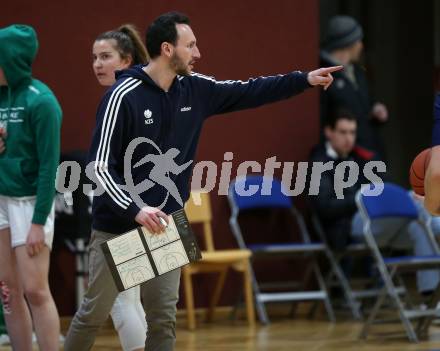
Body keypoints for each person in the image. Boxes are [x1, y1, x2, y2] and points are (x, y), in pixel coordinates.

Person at [64, 11, 342, 351]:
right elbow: (98, 168)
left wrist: (304, 79)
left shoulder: (196, 89)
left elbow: (250, 90)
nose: (198, 53)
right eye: (190, 45)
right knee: (95, 313)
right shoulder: (123, 95)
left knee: (164, 317)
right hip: (120, 224)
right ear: (168, 49)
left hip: (166, 223)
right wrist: (136, 209)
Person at [310, 109, 439, 293]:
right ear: (328, 132)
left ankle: (430, 296)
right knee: (419, 210)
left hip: (381, 226)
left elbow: (387, 183)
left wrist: (404, 197)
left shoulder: (362, 157)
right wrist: (361, 199)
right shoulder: (318, 164)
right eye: (343, 132)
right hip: (349, 226)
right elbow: (325, 208)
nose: (348, 138)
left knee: (419, 221)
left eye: (352, 132)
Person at [0, 24, 62, 351]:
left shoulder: (43, 102)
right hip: (1, 200)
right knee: (8, 291)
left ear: (11, 59)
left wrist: (39, 222)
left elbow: (50, 167)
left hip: (30, 202)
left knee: (36, 291)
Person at [92, 24, 149, 351]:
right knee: (132, 295)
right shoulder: (146, 90)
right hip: (147, 206)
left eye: (106, 56)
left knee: (122, 298)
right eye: (94, 57)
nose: (98, 64)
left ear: (126, 59)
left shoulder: (120, 96)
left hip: (127, 209)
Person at [320, 15, 388, 158]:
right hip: (345, 161)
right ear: (347, 43)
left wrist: (375, 108)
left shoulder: (357, 72)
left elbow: (365, 103)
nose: (361, 46)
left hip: (370, 154)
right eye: (358, 41)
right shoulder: (323, 75)